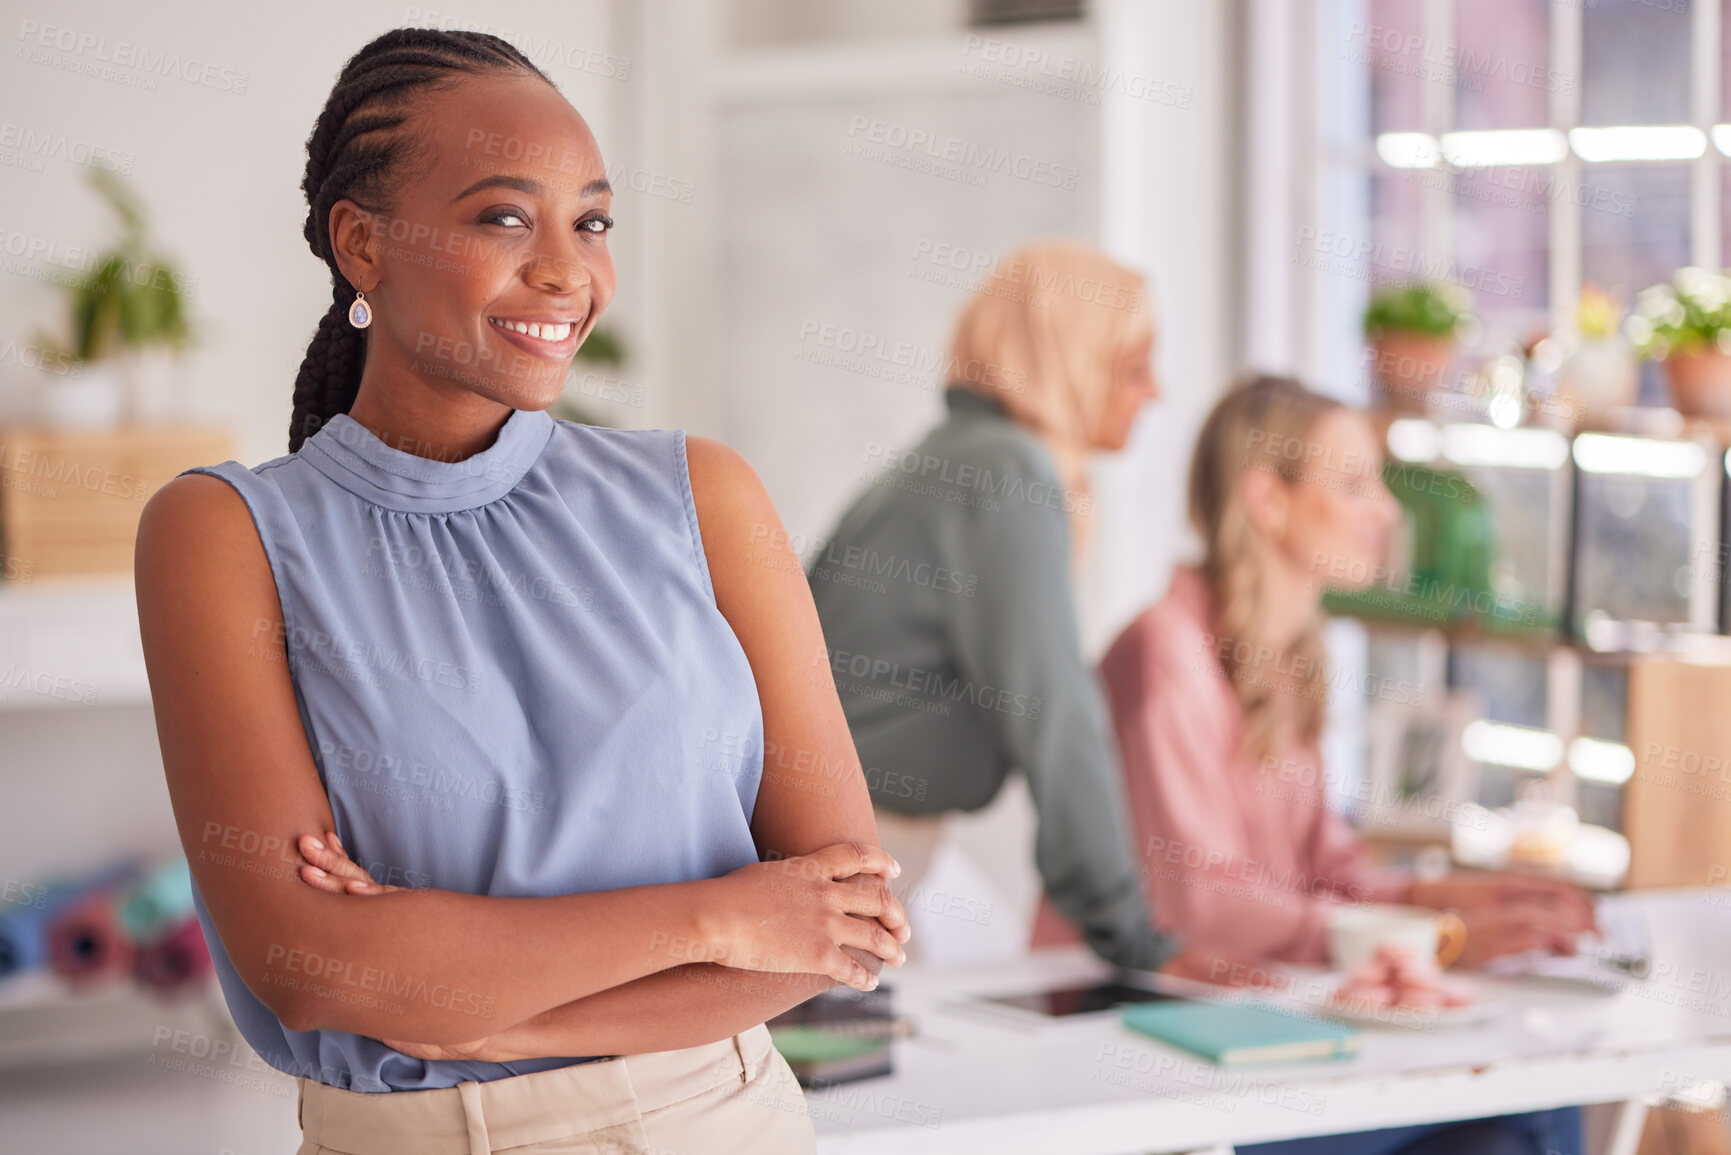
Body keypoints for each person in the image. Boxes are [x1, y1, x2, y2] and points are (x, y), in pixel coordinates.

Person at [135, 29, 908, 1155]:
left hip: (721, 1123)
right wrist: (723, 916)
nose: (565, 270)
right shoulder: (224, 534)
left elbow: (846, 931)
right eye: (504, 217)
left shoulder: (704, 498)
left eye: (590, 222)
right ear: (363, 245)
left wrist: (481, 1012)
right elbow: (314, 967)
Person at [1035, 375, 1591, 1155]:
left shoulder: (1289, 657)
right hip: (1143, 1048)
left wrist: (1455, 894)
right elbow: (1204, 901)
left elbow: (1324, 867)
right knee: (1528, 1111)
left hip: (1261, 1023)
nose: (1387, 511)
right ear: (1267, 499)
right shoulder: (1165, 653)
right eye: (1355, 483)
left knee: (1520, 1116)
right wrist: (1438, 934)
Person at [809, 241, 1224, 981]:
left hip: (854, 848)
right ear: (1068, 360)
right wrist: (1132, 935)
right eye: (1133, 367)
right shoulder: (1006, 472)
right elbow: (1057, 713)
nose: (1153, 393)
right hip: (844, 857)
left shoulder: (965, 457)